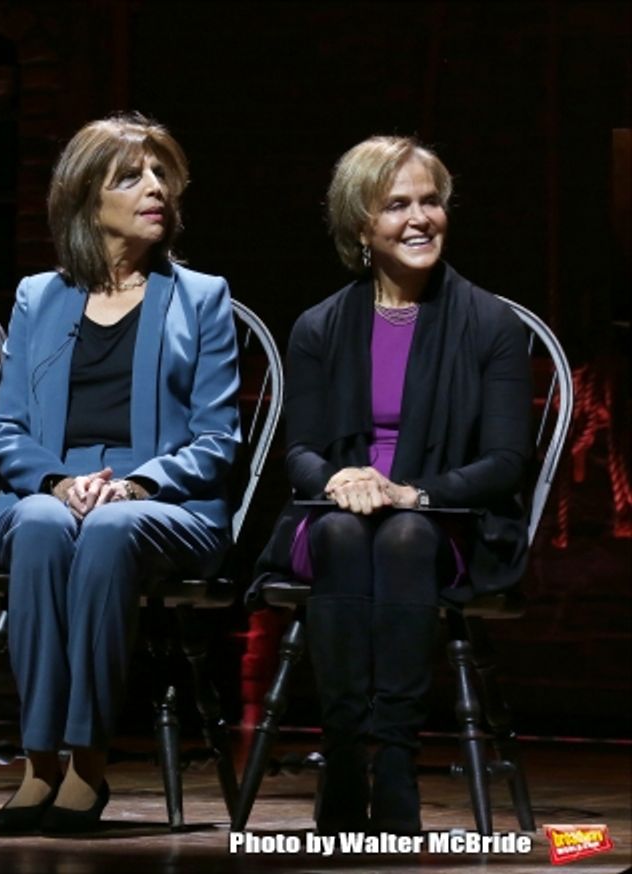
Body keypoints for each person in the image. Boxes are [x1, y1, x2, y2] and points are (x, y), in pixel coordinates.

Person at [253, 135, 532, 834]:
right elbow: (302, 454)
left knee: (403, 535)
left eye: (430, 201)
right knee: (347, 532)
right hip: (339, 509)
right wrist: (342, 477)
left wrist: (416, 493)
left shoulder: (490, 323)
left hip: (447, 514)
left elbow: (505, 461)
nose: (419, 218)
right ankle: (347, 754)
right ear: (361, 227)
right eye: (396, 205)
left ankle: (397, 758)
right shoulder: (320, 325)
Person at [0, 112, 242, 834]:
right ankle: (38, 765)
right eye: (131, 177)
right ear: (86, 199)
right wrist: (58, 483)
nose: (155, 188)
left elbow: (218, 439)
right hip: (49, 493)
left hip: (163, 502)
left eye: (162, 174)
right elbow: (5, 427)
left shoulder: (201, 297)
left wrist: (136, 484)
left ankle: (86, 767)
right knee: (36, 522)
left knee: (108, 531)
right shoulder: (40, 296)